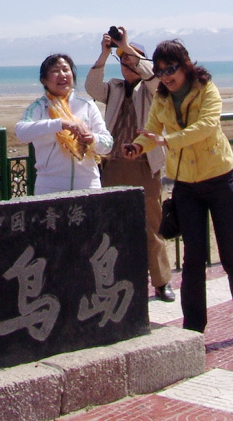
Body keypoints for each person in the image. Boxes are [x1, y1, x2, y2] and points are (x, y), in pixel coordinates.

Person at [122, 39, 233, 344]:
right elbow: (150, 132)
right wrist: (138, 146)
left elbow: (208, 126)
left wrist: (166, 140)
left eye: (171, 68)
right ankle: (194, 328)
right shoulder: (160, 98)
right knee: (193, 259)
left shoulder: (206, 88)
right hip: (185, 185)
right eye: (160, 71)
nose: (166, 76)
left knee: (231, 255)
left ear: (185, 65)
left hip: (220, 178)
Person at [84, 27, 174, 302]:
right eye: (122, 60)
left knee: (151, 226)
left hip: (144, 165)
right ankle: (118, 280)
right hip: (113, 164)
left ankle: (161, 282)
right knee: (113, 227)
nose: (127, 65)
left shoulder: (153, 90)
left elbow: (154, 79)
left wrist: (130, 51)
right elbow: (91, 87)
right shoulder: (113, 88)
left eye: (132, 61)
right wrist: (105, 53)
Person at [15, 54, 112, 195]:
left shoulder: (87, 106)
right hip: (50, 185)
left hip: (88, 184)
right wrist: (59, 123)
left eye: (66, 70)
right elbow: (21, 133)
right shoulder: (38, 107)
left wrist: (92, 139)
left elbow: (108, 144)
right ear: (44, 80)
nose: (62, 75)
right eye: (55, 71)